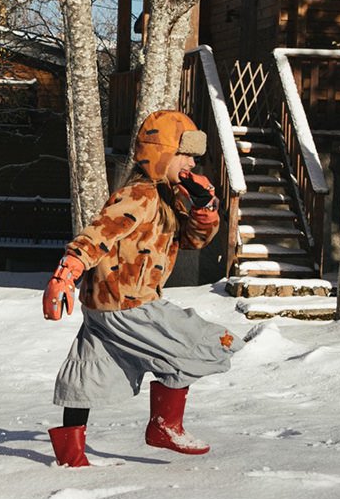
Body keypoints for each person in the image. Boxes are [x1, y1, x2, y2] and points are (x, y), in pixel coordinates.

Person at [43, 109, 243, 467]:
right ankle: (164, 426)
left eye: (194, 158)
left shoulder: (167, 196)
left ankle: (70, 457)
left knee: (92, 368)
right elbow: (99, 233)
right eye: (184, 155)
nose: (191, 164)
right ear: (161, 152)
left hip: (105, 304)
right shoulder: (139, 194)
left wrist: (203, 209)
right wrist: (67, 271)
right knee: (205, 343)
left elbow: (194, 241)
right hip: (130, 302)